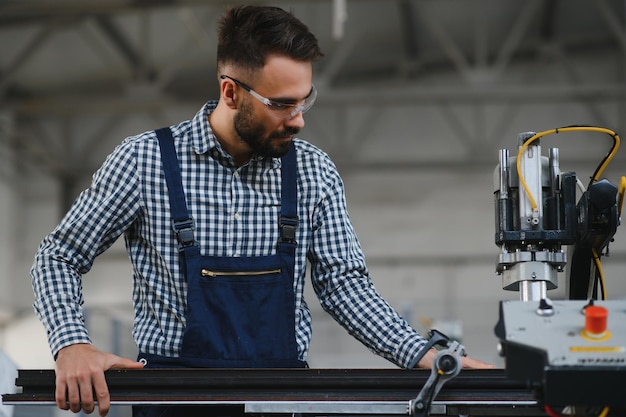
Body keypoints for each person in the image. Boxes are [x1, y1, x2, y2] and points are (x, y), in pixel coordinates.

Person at [30, 5, 491, 417]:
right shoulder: (145, 162)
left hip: (282, 395)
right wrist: (72, 344)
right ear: (231, 92)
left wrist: (425, 355)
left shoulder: (313, 171)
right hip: (173, 397)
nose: (300, 119)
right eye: (283, 104)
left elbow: (343, 286)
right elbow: (58, 256)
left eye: (305, 99)